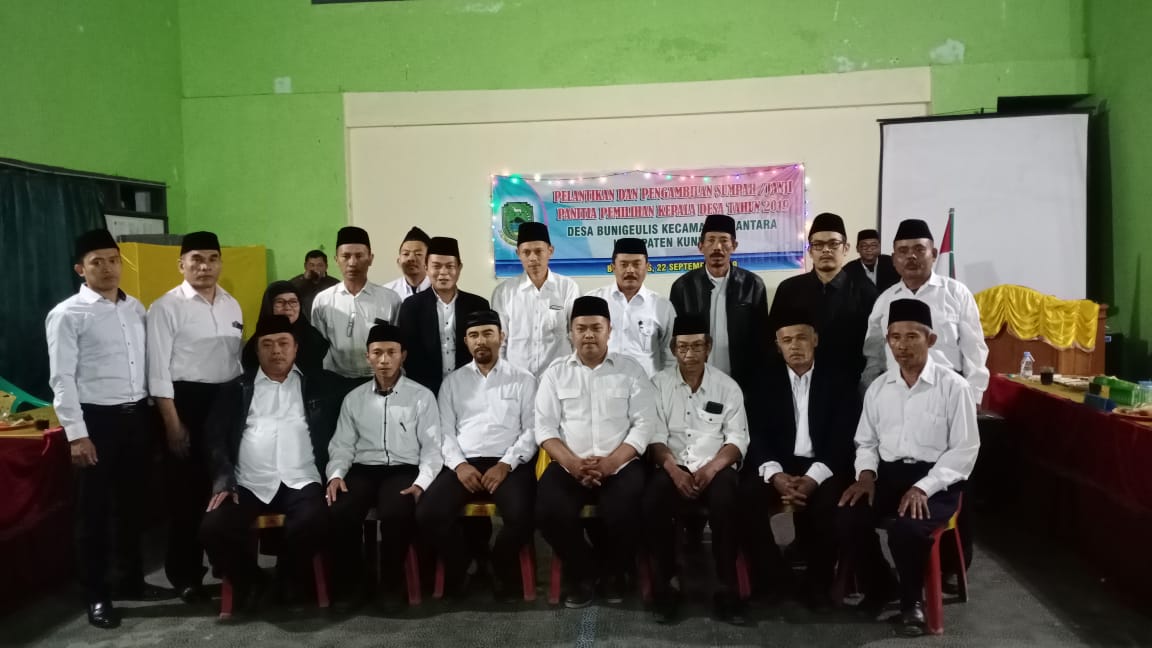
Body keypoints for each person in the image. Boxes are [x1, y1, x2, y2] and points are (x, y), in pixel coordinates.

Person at [46, 229, 168, 629]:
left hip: (137, 418)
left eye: (113, 260)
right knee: (93, 512)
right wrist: (77, 434)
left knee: (133, 507)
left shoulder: (136, 308)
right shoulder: (68, 314)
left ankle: (131, 581)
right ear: (80, 269)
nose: (108, 268)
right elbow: (62, 378)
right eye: (96, 262)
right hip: (96, 421)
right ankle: (96, 595)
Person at [837, 299, 979, 636]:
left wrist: (923, 487)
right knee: (847, 516)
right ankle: (881, 584)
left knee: (908, 529)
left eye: (912, 336)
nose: (902, 345)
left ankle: (911, 600)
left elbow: (964, 450)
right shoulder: (878, 389)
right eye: (895, 337)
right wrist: (866, 475)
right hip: (888, 475)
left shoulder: (954, 387)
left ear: (931, 340)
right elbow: (866, 442)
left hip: (937, 481)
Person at [199, 315, 330, 613]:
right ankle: (253, 581)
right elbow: (214, 437)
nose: (276, 351)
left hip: (302, 478)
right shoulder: (237, 388)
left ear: (296, 348)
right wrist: (223, 479)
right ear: (256, 351)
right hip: (247, 482)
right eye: (267, 345)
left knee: (315, 520)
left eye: (283, 343)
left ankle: (288, 579)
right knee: (213, 528)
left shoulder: (317, 385)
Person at [534, 296, 658, 608]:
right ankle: (585, 571)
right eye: (581, 328)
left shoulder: (631, 371)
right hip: (569, 464)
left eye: (596, 328)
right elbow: (545, 428)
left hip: (620, 464)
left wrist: (611, 462)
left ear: (609, 330)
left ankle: (615, 572)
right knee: (547, 510)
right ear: (570, 333)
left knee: (626, 510)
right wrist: (572, 463)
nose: (588, 335)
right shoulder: (555, 373)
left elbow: (644, 424)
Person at [739, 309, 860, 609]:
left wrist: (813, 478)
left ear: (815, 339)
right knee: (745, 497)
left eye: (802, 338)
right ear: (777, 345)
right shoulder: (763, 380)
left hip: (824, 464)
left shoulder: (840, 379)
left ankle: (818, 585)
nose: (794, 346)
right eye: (787, 340)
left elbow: (843, 437)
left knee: (832, 502)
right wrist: (775, 474)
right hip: (779, 464)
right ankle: (772, 577)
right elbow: (755, 433)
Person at [146, 230, 243, 604]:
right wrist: (172, 423)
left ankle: (225, 566)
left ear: (220, 263)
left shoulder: (232, 305)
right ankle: (185, 574)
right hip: (184, 403)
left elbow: (235, 363)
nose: (205, 267)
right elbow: (157, 371)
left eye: (212, 259)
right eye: (197, 259)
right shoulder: (166, 307)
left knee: (222, 488)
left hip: (225, 402)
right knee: (185, 496)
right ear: (181, 264)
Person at [417, 309, 538, 601]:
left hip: (508, 464)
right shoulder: (453, 382)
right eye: (473, 335)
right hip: (464, 463)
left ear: (501, 337)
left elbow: (533, 429)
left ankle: (499, 563)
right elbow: (443, 431)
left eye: (487, 333)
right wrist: (459, 465)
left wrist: (506, 464)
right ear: (466, 342)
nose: (480, 341)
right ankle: (465, 564)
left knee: (525, 514)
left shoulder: (523, 379)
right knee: (428, 513)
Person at [642, 313, 749, 625]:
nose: (690, 354)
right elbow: (655, 437)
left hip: (715, 467)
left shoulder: (727, 387)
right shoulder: (658, 385)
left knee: (728, 500)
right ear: (673, 349)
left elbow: (737, 439)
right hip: (672, 465)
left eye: (697, 346)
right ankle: (667, 584)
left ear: (709, 347)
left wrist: (712, 468)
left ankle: (726, 586)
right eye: (683, 347)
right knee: (652, 500)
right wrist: (675, 472)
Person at [325, 323, 442, 607]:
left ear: (403, 355)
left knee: (396, 513)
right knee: (340, 510)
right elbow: (342, 445)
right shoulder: (354, 399)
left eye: (391, 352)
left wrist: (421, 482)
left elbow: (432, 448)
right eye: (377, 353)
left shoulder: (421, 396)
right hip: (363, 469)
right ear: (367, 356)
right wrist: (336, 475)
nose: (384, 360)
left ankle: (391, 584)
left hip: (403, 469)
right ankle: (353, 584)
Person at [862, 219, 989, 402]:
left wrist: (974, 397)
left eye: (919, 249)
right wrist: (871, 393)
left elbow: (974, 350)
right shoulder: (885, 300)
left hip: (947, 394)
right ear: (894, 259)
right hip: (895, 395)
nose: (911, 256)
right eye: (903, 251)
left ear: (934, 254)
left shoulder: (956, 294)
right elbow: (874, 355)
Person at [768, 212, 877, 382]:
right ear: (810, 251)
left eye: (833, 244)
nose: (826, 250)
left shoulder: (866, 292)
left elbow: (873, 347)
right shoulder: (789, 290)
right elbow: (773, 341)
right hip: (799, 384)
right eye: (818, 245)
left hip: (849, 384)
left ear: (846, 248)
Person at [669, 214, 769, 394]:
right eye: (711, 240)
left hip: (743, 383)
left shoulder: (752, 285)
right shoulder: (683, 287)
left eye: (724, 241)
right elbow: (676, 342)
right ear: (701, 246)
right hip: (696, 383)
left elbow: (762, 341)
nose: (717, 247)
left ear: (734, 246)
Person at [311, 226, 403, 395]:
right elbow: (317, 348)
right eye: (346, 256)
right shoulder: (323, 301)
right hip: (335, 381)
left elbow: (397, 346)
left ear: (370, 258)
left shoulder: (390, 299)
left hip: (378, 381)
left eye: (359, 256)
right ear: (336, 259)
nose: (352, 262)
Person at [398, 236, 489, 395]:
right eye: (437, 266)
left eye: (450, 266)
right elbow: (409, 356)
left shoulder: (478, 305)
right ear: (426, 268)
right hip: (425, 390)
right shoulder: (411, 306)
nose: (443, 272)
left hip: (469, 387)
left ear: (459, 268)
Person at [490, 222, 579, 377]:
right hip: (517, 379)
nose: (533, 258)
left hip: (559, 378)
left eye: (538, 251)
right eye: (526, 252)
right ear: (518, 253)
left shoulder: (568, 288)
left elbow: (576, 336)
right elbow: (499, 342)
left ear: (550, 251)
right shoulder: (504, 292)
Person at [585, 238, 676, 377]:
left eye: (636, 264)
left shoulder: (662, 306)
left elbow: (671, 357)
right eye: (624, 264)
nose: (630, 270)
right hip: (602, 385)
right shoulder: (592, 301)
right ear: (613, 267)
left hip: (647, 387)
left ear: (647, 267)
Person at [241, 281, 329, 374]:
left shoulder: (314, 338)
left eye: (293, 302)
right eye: (280, 302)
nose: (287, 307)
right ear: (269, 306)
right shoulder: (255, 346)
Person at [290, 250, 339, 322]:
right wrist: (304, 279)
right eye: (311, 265)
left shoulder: (335, 284)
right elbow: (287, 293)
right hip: (303, 325)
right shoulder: (297, 282)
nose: (315, 269)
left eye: (320, 265)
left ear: (326, 266)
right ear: (305, 266)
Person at [383, 226, 432, 299]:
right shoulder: (386, 292)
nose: (411, 258)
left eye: (418, 254)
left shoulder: (441, 291)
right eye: (406, 254)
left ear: (430, 261)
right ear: (398, 261)